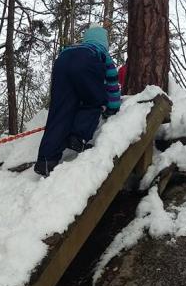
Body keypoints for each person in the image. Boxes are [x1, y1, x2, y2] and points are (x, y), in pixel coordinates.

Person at [34, 24, 121, 177]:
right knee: (94, 100)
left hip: (62, 61)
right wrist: (112, 107)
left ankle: (46, 160)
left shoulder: (73, 48)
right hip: (86, 61)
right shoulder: (101, 52)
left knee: (60, 111)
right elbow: (112, 83)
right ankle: (78, 138)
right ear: (104, 42)